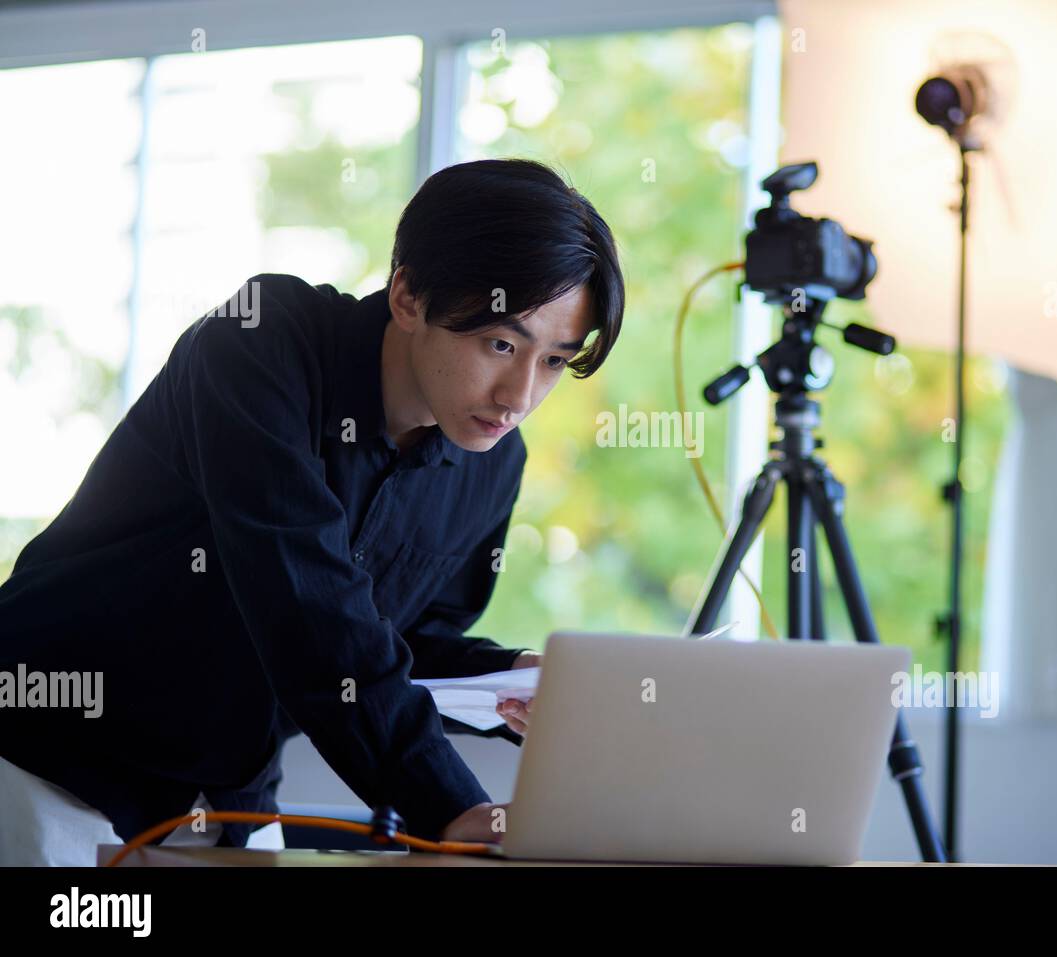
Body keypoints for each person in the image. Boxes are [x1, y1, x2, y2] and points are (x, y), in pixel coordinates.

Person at [0, 158, 624, 864]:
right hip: (49, 761)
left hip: (228, 798)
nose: (518, 396)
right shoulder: (261, 344)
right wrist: (451, 805)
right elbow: (308, 608)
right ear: (408, 296)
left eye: (553, 362)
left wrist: (510, 674)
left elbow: (392, 636)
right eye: (501, 344)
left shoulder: (490, 459)